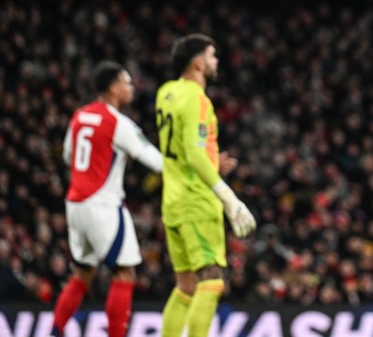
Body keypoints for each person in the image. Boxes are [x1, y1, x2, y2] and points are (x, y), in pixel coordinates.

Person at [53, 62, 165, 337]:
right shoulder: (119, 123)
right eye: (126, 81)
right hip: (104, 205)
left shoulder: (80, 116)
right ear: (113, 87)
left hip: (76, 205)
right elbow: (156, 161)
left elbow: (69, 156)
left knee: (82, 275)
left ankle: (54, 333)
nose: (131, 87)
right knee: (124, 274)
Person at [157, 34, 256, 337]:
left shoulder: (167, 92)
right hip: (197, 201)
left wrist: (213, 161)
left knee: (185, 286)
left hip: (172, 201)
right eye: (212, 56)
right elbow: (194, 154)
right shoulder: (198, 99)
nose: (216, 62)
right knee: (211, 280)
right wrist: (229, 198)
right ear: (198, 63)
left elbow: (180, 147)